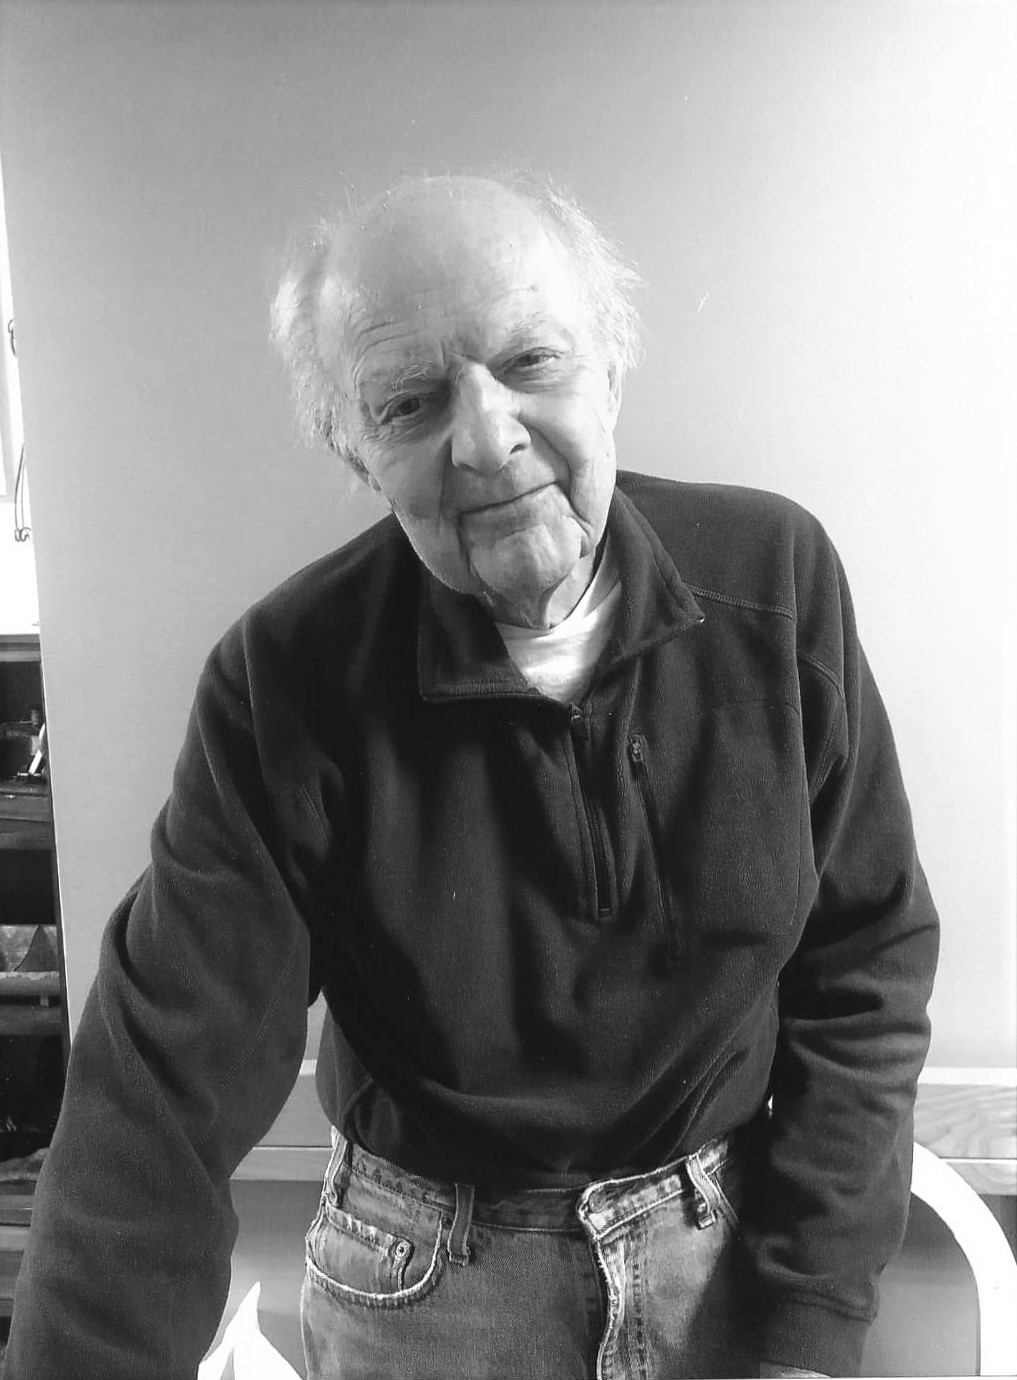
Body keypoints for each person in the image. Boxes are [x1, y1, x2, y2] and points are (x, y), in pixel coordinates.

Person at [2, 172, 939, 1380]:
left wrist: (807, 1320)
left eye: (532, 360)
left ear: (611, 369)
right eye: (409, 401)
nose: (487, 438)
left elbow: (864, 962)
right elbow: (158, 1090)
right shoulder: (286, 677)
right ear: (358, 451)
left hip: (725, 1257)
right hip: (429, 1283)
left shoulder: (777, 578)